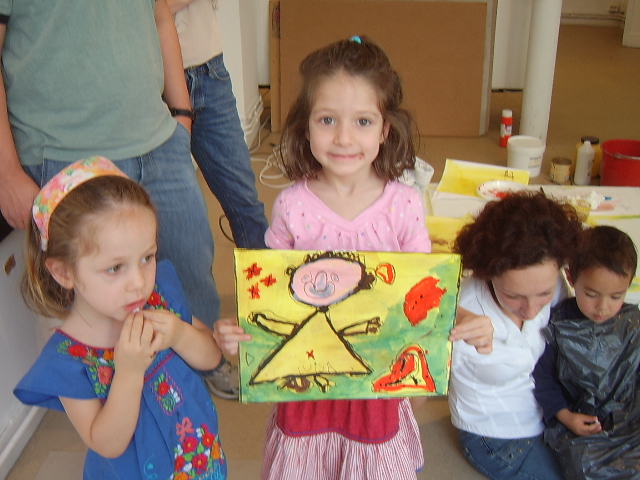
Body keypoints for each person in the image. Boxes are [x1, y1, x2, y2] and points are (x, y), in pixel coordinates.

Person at [216, 35, 493, 480]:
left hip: (375, 394)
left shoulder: (403, 204)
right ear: (306, 127)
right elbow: (273, 295)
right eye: (327, 119)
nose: (344, 138)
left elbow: (423, 293)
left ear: (385, 130)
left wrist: (464, 318)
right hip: (307, 391)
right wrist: (240, 330)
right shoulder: (292, 206)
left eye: (363, 121)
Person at [0, 1, 220, 333]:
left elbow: (160, 15)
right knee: (95, 323)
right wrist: (6, 173)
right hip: (65, 158)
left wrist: (181, 114)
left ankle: (198, 365)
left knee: (193, 290)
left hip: (160, 144)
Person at [14, 157, 227, 479]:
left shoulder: (159, 299)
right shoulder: (68, 359)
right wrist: (128, 372)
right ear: (64, 272)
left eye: (147, 257)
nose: (138, 283)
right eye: (115, 268)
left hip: (198, 463)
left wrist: (180, 335)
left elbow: (211, 359)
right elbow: (108, 444)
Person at [166, 0, 270, 400]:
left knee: (244, 202)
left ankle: (274, 319)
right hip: (144, 83)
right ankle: (206, 352)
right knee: (186, 232)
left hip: (205, 65)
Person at [448, 191, 583, 480]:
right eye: (514, 296)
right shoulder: (465, 308)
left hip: (551, 409)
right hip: (496, 435)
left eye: (544, 294)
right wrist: (451, 323)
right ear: (487, 273)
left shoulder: (555, 283)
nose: (531, 310)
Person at [533, 225, 640, 479]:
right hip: (579, 420)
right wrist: (566, 416)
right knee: (585, 466)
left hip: (628, 413)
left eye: (616, 296)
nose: (603, 307)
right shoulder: (559, 325)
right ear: (571, 278)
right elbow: (543, 379)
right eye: (591, 294)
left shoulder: (631, 323)